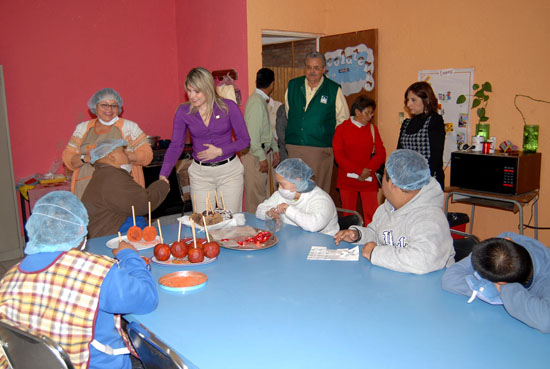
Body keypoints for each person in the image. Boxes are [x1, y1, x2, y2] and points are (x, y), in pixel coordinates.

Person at [0, 191, 158, 369]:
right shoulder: (96, 271)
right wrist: (128, 255)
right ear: (80, 230)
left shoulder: (9, 278)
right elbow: (147, 299)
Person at [334, 149, 454, 274]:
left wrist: (375, 253)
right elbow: (377, 235)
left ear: (392, 183)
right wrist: (358, 235)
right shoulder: (385, 209)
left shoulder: (430, 218)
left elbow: (423, 261)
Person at [160, 67, 250, 213]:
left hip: (229, 173)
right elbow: (176, 146)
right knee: (203, 222)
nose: (192, 96)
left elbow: (245, 140)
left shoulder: (228, 107)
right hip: (200, 174)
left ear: (208, 88)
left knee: (230, 222)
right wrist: (164, 174)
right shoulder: (184, 112)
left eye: (197, 91)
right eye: (189, 90)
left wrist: (220, 151)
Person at [442, 232, 550, 333]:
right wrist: (490, 290)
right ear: (509, 240)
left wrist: (507, 289)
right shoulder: (502, 245)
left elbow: (545, 321)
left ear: (501, 283)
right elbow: (450, 278)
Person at [62, 88, 153, 199]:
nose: (109, 109)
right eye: (104, 105)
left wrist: (123, 155)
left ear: (119, 108)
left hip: (120, 191)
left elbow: (147, 155)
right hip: (86, 189)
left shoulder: (129, 128)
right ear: (95, 106)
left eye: (114, 105)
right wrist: (86, 157)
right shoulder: (82, 128)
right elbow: (68, 158)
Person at [285, 51, 350, 193]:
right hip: (294, 145)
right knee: (293, 189)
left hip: (320, 148)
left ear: (324, 69)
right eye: (309, 67)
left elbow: (343, 120)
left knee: (316, 190)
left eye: (316, 68)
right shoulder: (293, 85)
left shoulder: (333, 89)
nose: (312, 71)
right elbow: (289, 112)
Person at [81, 139, 170, 238]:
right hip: (109, 238)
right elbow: (143, 203)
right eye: (123, 151)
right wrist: (162, 185)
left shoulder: (104, 174)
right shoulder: (112, 177)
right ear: (111, 156)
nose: (127, 154)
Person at [333, 95, 386, 225]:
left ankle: (372, 240)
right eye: (367, 113)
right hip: (347, 179)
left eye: (371, 113)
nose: (370, 116)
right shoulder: (342, 129)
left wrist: (367, 171)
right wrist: (358, 171)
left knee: (372, 214)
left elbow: (381, 153)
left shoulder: (373, 129)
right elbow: (339, 156)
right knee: (349, 215)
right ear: (357, 112)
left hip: (368, 179)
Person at [256, 158, 339, 236]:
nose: (279, 188)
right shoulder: (280, 195)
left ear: (297, 181)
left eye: (282, 184)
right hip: (295, 238)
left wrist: (288, 209)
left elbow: (314, 225)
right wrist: (270, 212)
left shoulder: (320, 199)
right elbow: (259, 210)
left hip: (323, 243)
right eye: (278, 184)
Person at [242, 68, 281, 213]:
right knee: (255, 201)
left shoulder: (260, 100)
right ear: (272, 84)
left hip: (261, 152)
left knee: (263, 198)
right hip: (254, 155)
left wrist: (275, 148)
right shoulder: (256, 103)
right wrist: (262, 157)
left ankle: (262, 232)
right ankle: (254, 233)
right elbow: (253, 135)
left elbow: (265, 130)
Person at [397, 81, 445, 189]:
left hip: (429, 181)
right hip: (408, 181)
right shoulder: (406, 123)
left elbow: (435, 158)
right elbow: (399, 154)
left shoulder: (435, 120)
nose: (409, 104)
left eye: (413, 100)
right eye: (408, 100)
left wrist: (419, 180)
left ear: (426, 100)